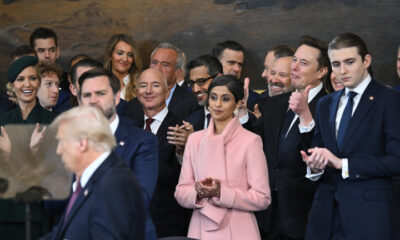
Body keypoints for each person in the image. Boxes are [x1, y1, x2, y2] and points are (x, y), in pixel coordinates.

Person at [302, 32, 400, 240]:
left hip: (370, 216)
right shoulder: (325, 104)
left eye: (349, 62)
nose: (342, 71)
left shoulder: (390, 100)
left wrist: (344, 164)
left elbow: (396, 160)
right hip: (325, 215)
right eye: (336, 64)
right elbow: (319, 148)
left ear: (366, 60)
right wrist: (315, 164)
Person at [175, 75, 271, 240]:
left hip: (239, 229)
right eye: (213, 97)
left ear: (238, 103)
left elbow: (262, 198)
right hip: (200, 229)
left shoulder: (251, 141)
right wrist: (199, 194)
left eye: (225, 99)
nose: (217, 104)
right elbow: (180, 192)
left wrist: (222, 193)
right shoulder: (195, 140)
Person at [255, 36, 330, 240]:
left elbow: (324, 161)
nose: (294, 67)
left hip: (305, 217)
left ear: (322, 71)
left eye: (303, 63)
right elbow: (258, 146)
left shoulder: (331, 106)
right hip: (266, 216)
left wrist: (306, 117)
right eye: (294, 60)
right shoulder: (274, 104)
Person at [41, 106, 146, 240]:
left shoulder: (114, 186)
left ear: (82, 144)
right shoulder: (90, 179)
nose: (59, 150)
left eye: (62, 142)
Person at [78, 68, 159, 240]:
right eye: (86, 95)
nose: (93, 101)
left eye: (100, 93)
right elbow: (52, 203)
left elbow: (138, 199)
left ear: (116, 98)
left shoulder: (142, 141)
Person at [0, 55, 57, 239]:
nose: (28, 84)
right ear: (12, 85)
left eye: (32, 78)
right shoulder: (2, 122)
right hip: (5, 214)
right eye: (21, 79)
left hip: (40, 217)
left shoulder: (53, 122)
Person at [131, 68, 189, 237]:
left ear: (166, 92)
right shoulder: (128, 127)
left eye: (155, 85)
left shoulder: (181, 129)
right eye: (143, 85)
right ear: (136, 92)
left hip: (166, 224)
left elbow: (181, 178)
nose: (148, 91)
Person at [212, 40, 259, 109]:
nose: (237, 69)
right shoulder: (201, 94)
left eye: (240, 64)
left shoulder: (253, 99)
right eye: (231, 63)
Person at [103, 34, 142, 101]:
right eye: (120, 53)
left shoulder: (140, 85)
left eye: (130, 55)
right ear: (110, 56)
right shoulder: (99, 81)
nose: (125, 59)